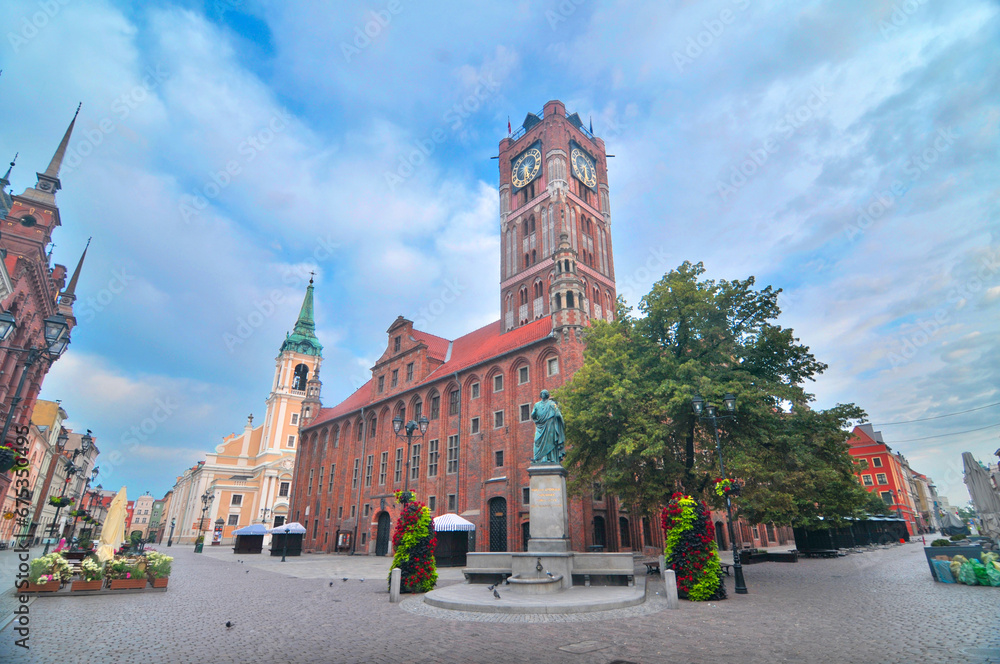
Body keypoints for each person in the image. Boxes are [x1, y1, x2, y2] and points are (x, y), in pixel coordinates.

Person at [530, 390, 566, 463]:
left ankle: (550, 458)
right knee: (537, 440)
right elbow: (533, 415)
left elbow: (557, 412)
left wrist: (558, 416)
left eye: (544, 393)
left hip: (550, 425)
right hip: (540, 426)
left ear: (547, 395)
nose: (543, 394)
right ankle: (538, 459)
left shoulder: (552, 404)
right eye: (542, 393)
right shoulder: (537, 405)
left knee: (550, 441)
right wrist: (534, 416)